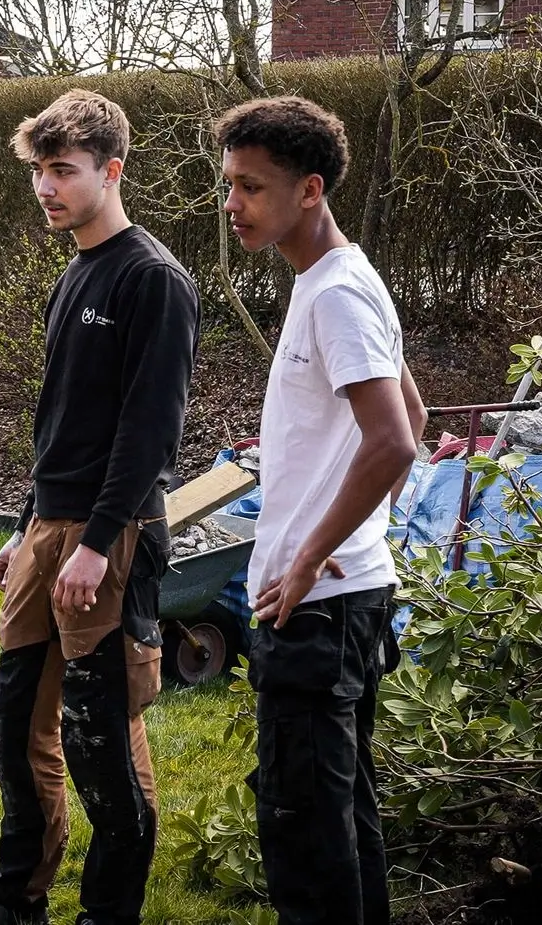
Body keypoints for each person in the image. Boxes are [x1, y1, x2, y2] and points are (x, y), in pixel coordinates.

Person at [0, 89, 200, 925]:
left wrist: (91, 543)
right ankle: (19, 899)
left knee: (102, 743)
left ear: (111, 170)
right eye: (39, 172)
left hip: (113, 537)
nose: (46, 188)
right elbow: (61, 421)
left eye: (63, 170)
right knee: (17, 722)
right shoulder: (73, 274)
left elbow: (148, 431)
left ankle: (107, 913)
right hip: (52, 528)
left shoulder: (152, 279)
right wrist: (26, 526)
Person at [215, 96, 425, 925]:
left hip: (318, 608)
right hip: (341, 601)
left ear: (309, 190)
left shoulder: (336, 293)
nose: (232, 203)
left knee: (304, 836)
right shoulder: (334, 279)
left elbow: (397, 441)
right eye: (228, 184)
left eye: (251, 187)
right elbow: (413, 413)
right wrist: (359, 528)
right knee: (344, 822)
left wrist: (311, 553)